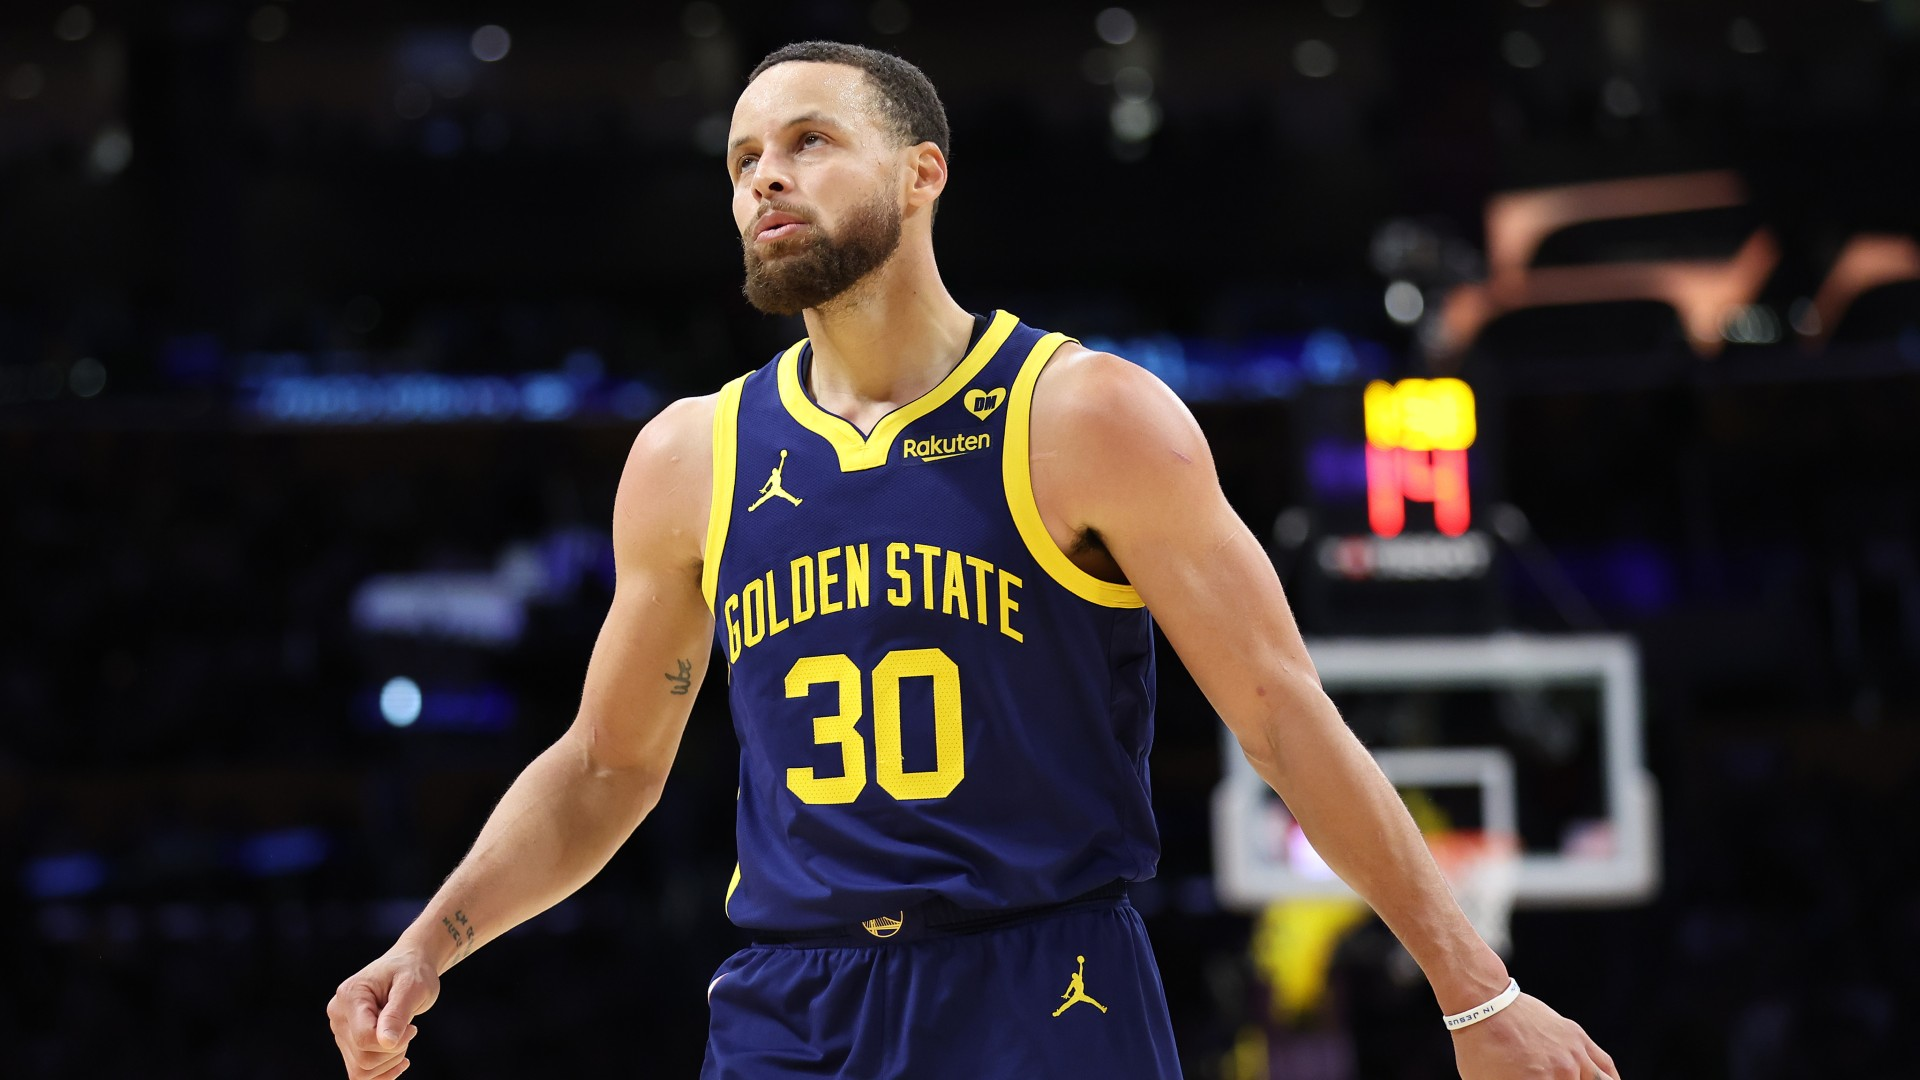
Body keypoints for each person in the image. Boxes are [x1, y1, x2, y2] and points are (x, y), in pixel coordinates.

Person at [326, 41, 1622, 1080]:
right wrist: (431, 946)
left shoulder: (1090, 416)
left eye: (809, 142)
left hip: (1044, 985)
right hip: (792, 1003)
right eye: (741, 160)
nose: (763, 180)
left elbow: (1284, 718)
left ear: (923, 172)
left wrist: (1475, 992)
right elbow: (607, 767)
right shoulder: (691, 457)